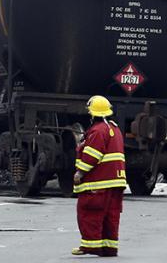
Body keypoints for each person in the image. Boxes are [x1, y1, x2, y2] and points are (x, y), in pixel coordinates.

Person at [71, 95, 126, 257]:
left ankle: (90, 246)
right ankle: (109, 248)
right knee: (111, 215)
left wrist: (80, 172)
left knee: (89, 214)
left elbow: (92, 156)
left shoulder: (97, 131)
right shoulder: (114, 129)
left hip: (98, 184)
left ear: (93, 114)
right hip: (115, 183)